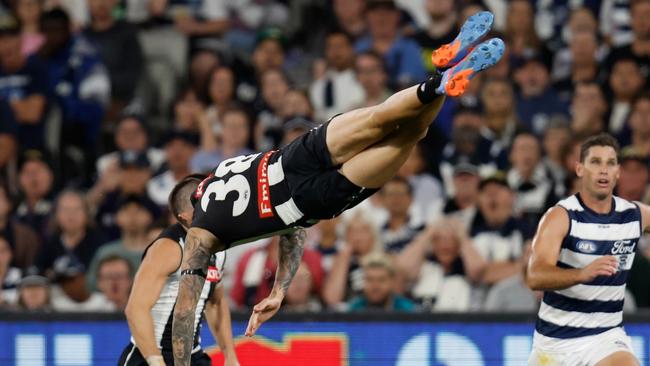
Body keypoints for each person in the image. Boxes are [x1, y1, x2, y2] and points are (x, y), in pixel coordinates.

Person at [172, 13, 504, 365]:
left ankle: (442, 82)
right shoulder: (223, 169)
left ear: (184, 213)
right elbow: (291, 233)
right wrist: (280, 288)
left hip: (308, 202)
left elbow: (184, 312)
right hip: (291, 157)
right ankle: (439, 75)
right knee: (381, 117)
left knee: (408, 135)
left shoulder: (199, 233)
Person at [526, 134, 649, 365]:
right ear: (580, 169)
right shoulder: (561, 216)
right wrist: (581, 274)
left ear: (617, 172)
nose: (603, 170)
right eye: (595, 162)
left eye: (610, 163)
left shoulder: (634, 215)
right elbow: (535, 276)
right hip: (554, 345)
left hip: (605, 338)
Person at [121, 175, 238, 366]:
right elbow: (136, 309)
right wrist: (156, 361)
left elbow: (215, 303)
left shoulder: (219, 246)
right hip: (151, 355)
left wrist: (230, 356)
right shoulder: (169, 248)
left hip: (192, 355)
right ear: (187, 215)